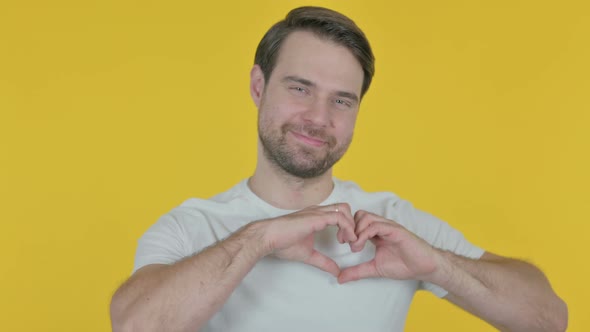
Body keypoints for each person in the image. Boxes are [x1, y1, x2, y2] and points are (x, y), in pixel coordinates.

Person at [110, 6, 567, 332]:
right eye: (300, 88)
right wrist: (260, 238)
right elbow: (135, 325)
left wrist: (440, 266)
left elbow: (548, 319)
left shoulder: (392, 224)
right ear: (258, 86)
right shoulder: (193, 227)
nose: (319, 117)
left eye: (341, 100)